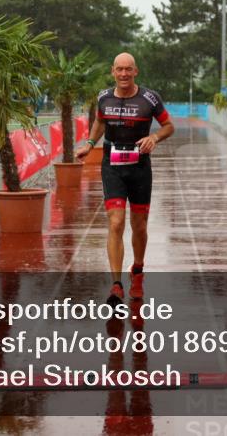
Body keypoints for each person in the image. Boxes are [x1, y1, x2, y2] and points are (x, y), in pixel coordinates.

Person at [76, 53, 174, 305]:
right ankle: (116, 285)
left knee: (139, 225)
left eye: (128, 70)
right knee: (116, 222)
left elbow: (168, 126)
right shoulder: (103, 97)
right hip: (112, 166)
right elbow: (99, 122)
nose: (123, 74)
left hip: (140, 167)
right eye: (119, 69)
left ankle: (138, 272)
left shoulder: (150, 98)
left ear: (135, 71)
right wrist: (89, 143)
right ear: (113, 71)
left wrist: (154, 138)